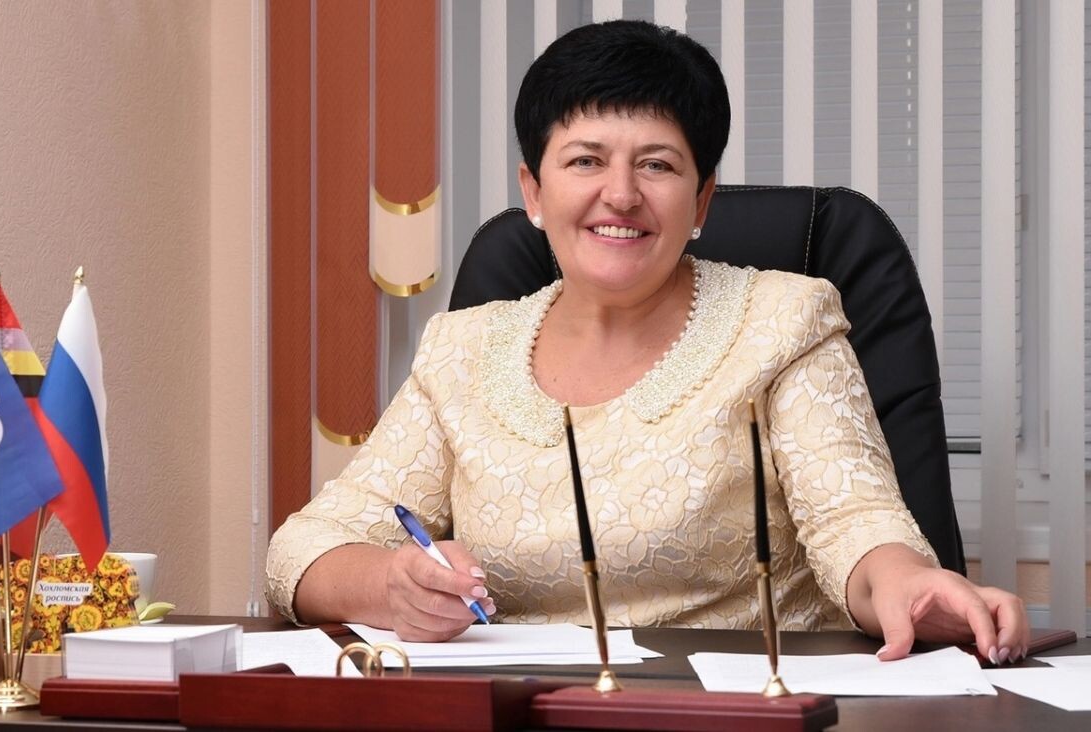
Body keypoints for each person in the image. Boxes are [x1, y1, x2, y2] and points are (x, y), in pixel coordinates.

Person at [266, 19, 1028, 665]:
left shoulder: (783, 321)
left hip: (729, 708)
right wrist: (390, 586)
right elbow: (302, 551)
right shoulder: (461, 351)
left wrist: (905, 583)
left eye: (656, 165)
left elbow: (854, 521)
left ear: (702, 201)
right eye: (585, 161)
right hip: (523, 706)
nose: (621, 195)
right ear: (534, 192)